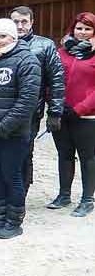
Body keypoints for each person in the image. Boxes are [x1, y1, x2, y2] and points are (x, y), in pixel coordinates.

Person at [0, 18, 40, 239]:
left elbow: (27, 101)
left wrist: (5, 126)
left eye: (2, 36)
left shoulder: (27, 60)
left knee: (11, 175)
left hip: (14, 132)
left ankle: (14, 221)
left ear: (13, 37)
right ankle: (0, 217)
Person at [10, 6, 65, 194]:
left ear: (32, 22)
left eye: (24, 21)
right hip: (3, 109)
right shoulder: (2, 43)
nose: (19, 26)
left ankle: (21, 193)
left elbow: (56, 80)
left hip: (30, 111)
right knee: (3, 152)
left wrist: (55, 111)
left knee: (25, 152)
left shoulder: (45, 45)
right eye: (15, 22)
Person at [47, 12, 95, 217]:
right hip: (62, 113)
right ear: (72, 29)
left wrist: (80, 108)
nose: (82, 32)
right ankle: (64, 195)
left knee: (88, 157)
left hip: (86, 116)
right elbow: (51, 79)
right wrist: (55, 104)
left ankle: (87, 199)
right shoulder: (61, 52)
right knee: (64, 155)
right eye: (79, 28)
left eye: (87, 29)